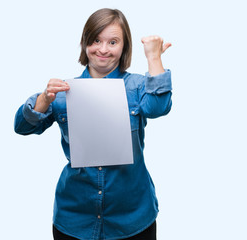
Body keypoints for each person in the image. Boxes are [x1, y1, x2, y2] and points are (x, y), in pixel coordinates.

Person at [14, 8, 172, 240]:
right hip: (75, 217)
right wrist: (43, 99)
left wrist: (154, 57)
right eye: (96, 40)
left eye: (113, 42)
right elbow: (23, 127)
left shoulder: (137, 87)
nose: (103, 49)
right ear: (85, 43)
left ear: (123, 46)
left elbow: (159, 108)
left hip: (132, 218)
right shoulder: (63, 92)